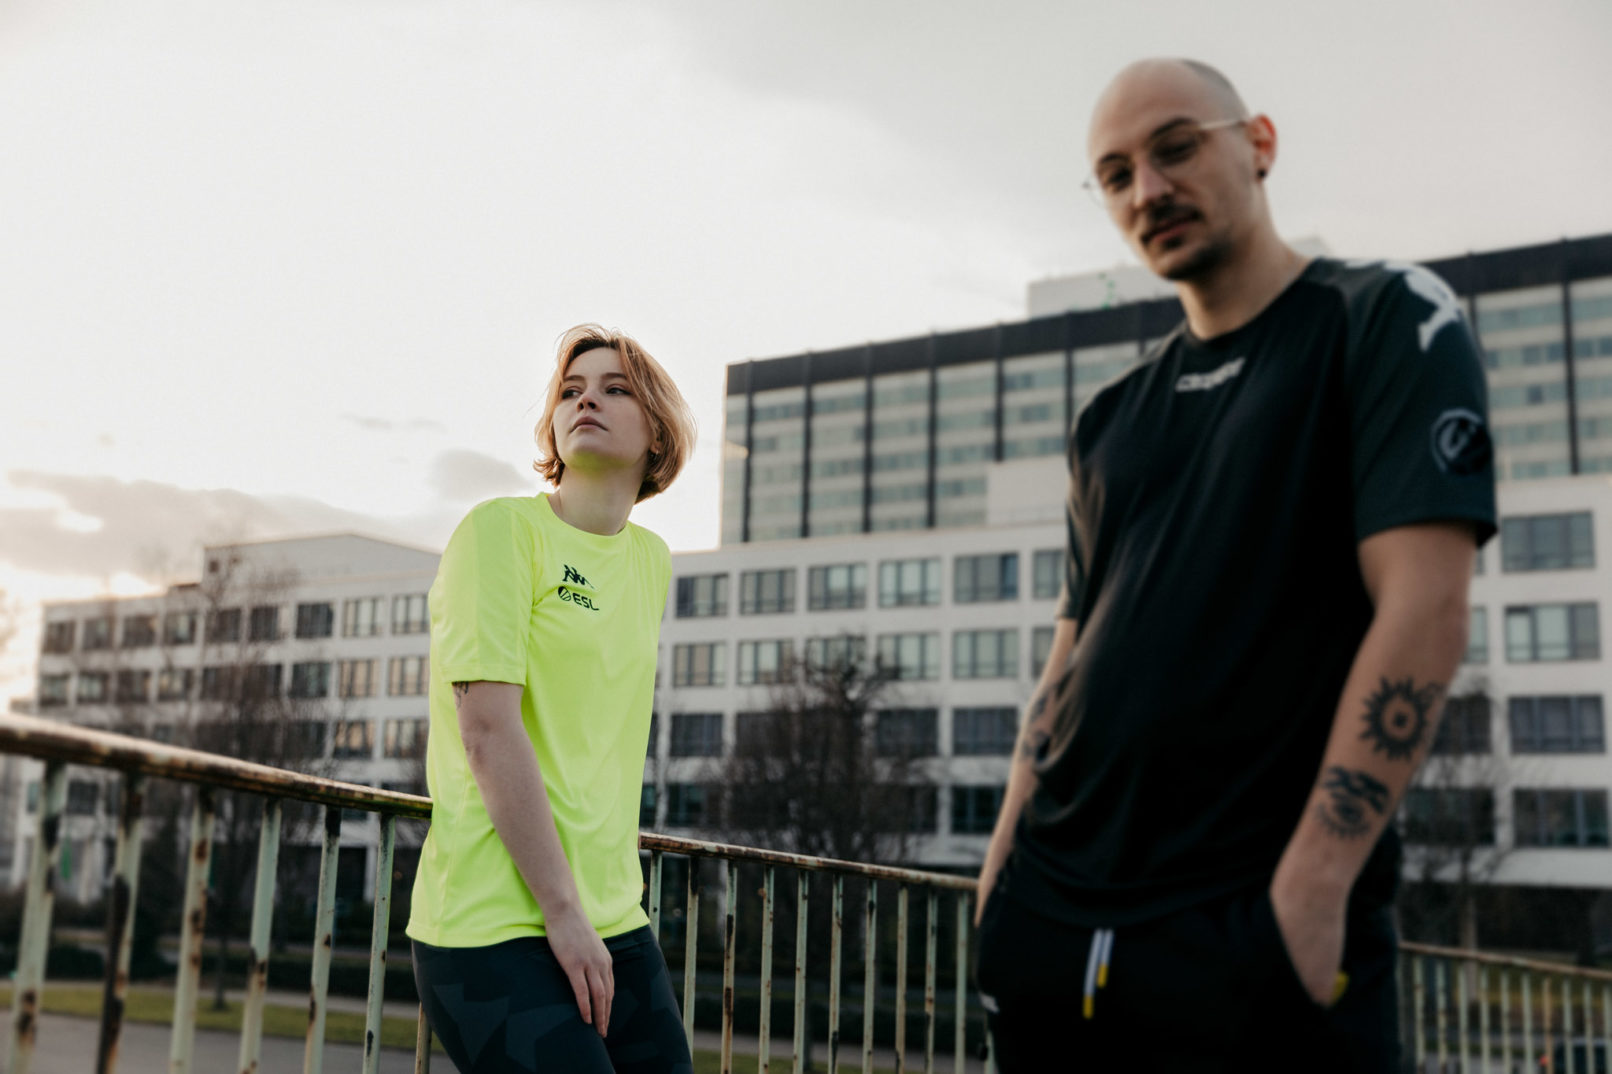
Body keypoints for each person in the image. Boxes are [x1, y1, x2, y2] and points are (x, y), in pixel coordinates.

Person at [973, 59, 1496, 1072]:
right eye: (1115, 173)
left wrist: (1311, 886)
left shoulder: (1383, 317)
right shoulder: (1109, 418)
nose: (1147, 190)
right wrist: (1000, 872)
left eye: (1176, 148)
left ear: (1256, 143)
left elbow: (1425, 605)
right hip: (1051, 920)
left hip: (1246, 932)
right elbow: (1066, 660)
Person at [407, 324, 698, 1073]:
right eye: (570, 390)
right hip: (493, 923)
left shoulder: (651, 561)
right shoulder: (501, 533)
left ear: (658, 433)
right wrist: (562, 914)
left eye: (613, 387)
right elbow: (487, 732)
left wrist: (591, 915)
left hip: (614, 917)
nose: (585, 399)